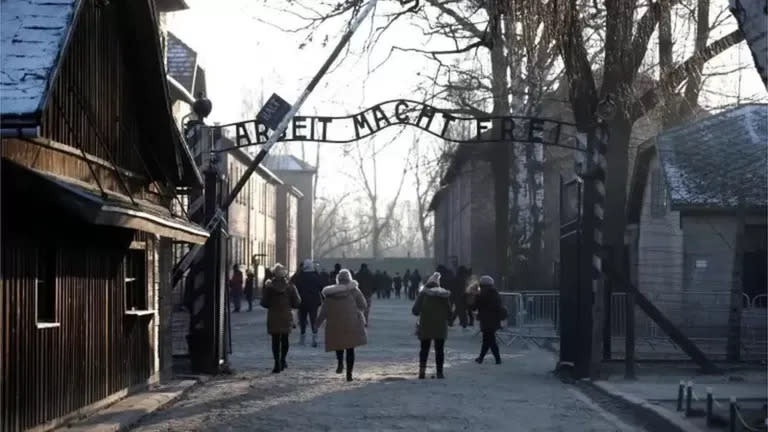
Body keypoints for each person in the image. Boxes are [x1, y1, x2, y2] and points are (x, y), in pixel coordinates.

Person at [316, 269, 368, 382]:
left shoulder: (330, 294)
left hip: (334, 322)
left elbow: (324, 310)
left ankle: (340, 362)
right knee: (350, 348)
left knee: (338, 344)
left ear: (338, 280)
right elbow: (363, 304)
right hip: (351, 322)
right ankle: (349, 374)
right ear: (349, 279)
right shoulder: (355, 291)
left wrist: (317, 323)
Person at [260, 263, 301, 373]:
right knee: (285, 339)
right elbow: (297, 302)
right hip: (286, 315)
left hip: (273, 315)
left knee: (275, 340)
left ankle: (276, 362)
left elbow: (264, 303)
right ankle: (283, 360)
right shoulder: (290, 286)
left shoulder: (269, 287)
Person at [412, 272, 451, 379]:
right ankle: (440, 372)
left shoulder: (423, 293)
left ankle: (422, 372)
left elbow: (415, 310)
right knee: (440, 350)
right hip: (440, 325)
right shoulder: (444, 294)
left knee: (424, 349)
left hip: (426, 324)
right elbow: (449, 311)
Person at [472, 275, 505, 364]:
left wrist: (474, 296)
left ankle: (497, 359)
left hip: (486, 320)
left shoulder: (481, 294)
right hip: (494, 319)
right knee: (487, 340)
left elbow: (474, 307)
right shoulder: (495, 293)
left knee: (490, 340)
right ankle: (481, 358)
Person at [294, 259, 324, 347]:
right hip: (313, 302)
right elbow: (321, 287)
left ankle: (302, 339)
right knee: (313, 320)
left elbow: (294, 286)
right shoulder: (316, 276)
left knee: (302, 320)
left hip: (302, 301)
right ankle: (314, 338)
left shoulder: (300, 276)